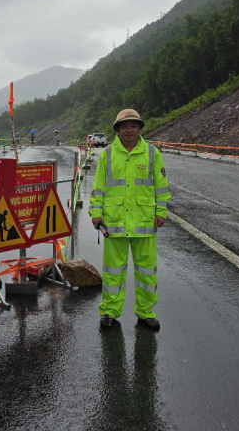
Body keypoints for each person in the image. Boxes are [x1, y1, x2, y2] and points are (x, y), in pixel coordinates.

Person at [89, 109, 170, 331]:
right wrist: (96, 213)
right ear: (117, 130)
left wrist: (161, 211)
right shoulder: (107, 155)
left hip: (145, 223)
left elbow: (161, 187)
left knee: (146, 272)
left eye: (133, 126)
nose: (129, 130)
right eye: (124, 126)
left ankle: (146, 312)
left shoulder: (152, 153)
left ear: (139, 128)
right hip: (115, 223)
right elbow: (98, 187)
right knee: (113, 271)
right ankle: (109, 312)